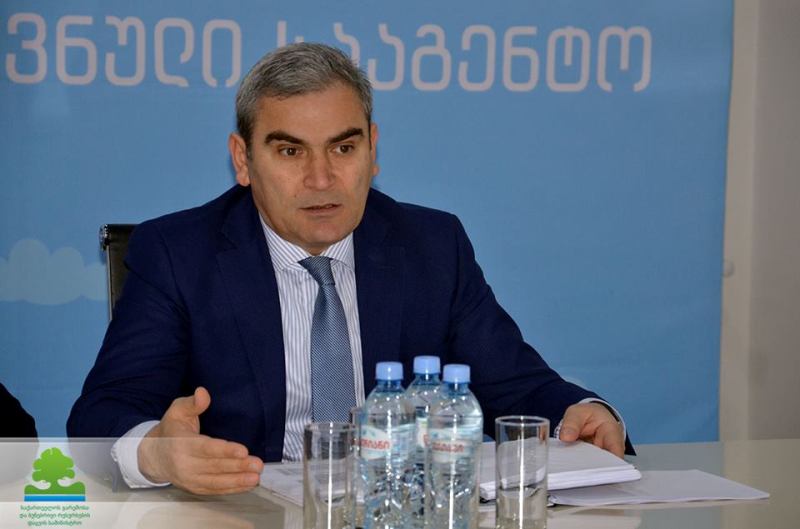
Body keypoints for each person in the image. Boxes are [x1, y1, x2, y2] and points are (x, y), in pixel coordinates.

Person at [68, 43, 630, 496]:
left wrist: (581, 412)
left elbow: (514, 382)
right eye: (290, 152)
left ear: (372, 149)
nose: (321, 179)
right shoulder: (178, 253)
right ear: (243, 160)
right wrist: (156, 451)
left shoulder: (432, 245)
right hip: (242, 513)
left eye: (342, 149)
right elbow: (102, 412)